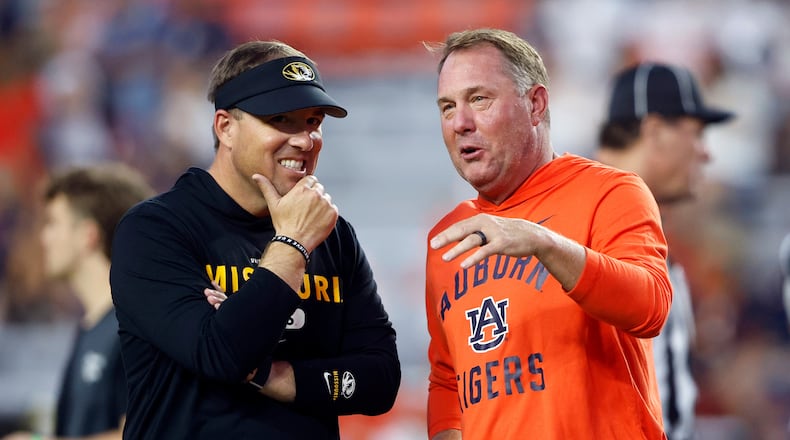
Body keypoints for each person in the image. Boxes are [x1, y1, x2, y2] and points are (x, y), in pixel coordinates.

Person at [108, 39, 401, 439]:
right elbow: (221, 355)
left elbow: (380, 379)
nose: (304, 140)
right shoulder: (156, 229)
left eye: (313, 121)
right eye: (281, 120)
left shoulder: (333, 236)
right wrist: (293, 244)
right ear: (226, 127)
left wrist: (273, 375)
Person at [423, 28, 672, 439]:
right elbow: (448, 378)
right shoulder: (449, 235)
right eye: (447, 107)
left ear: (535, 104)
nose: (460, 123)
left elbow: (650, 306)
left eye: (479, 99)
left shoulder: (611, 191)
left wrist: (544, 243)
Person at [596, 62, 735, 440]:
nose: (705, 154)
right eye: (697, 134)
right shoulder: (584, 233)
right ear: (655, 132)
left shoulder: (635, 233)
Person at [2, 163, 154, 440]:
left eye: (53, 223)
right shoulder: (93, 327)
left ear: (88, 235)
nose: (44, 238)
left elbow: (141, 433)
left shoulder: (133, 327)